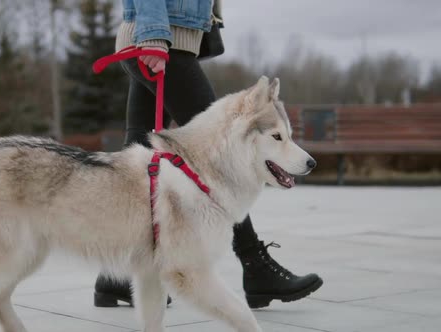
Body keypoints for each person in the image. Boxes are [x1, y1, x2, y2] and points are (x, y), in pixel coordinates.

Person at [94, 0, 323, 309]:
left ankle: (116, 277)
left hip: (157, 37)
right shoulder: (158, 37)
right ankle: (256, 268)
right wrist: (153, 35)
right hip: (162, 40)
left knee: (137, 160)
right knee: (222, 153)